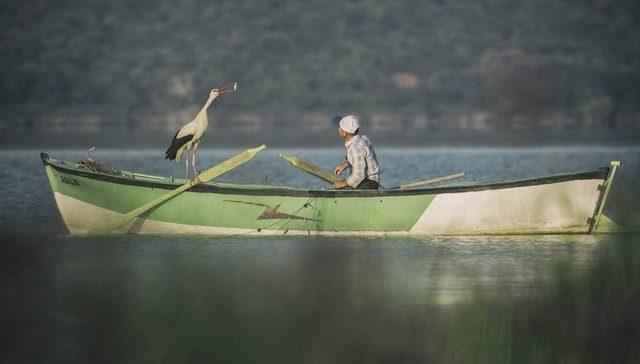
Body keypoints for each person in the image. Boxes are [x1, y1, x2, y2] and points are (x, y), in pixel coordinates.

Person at [331, 115, 381, 189]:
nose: (338, 129)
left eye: (340, 128)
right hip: (371, 181)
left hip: (368, 183)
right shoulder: (363, 139)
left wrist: (343, 183)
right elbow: (361, 159)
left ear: (345, 133)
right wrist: (346, 165)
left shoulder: (355, 147)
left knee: (338, 188)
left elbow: (359, 175)